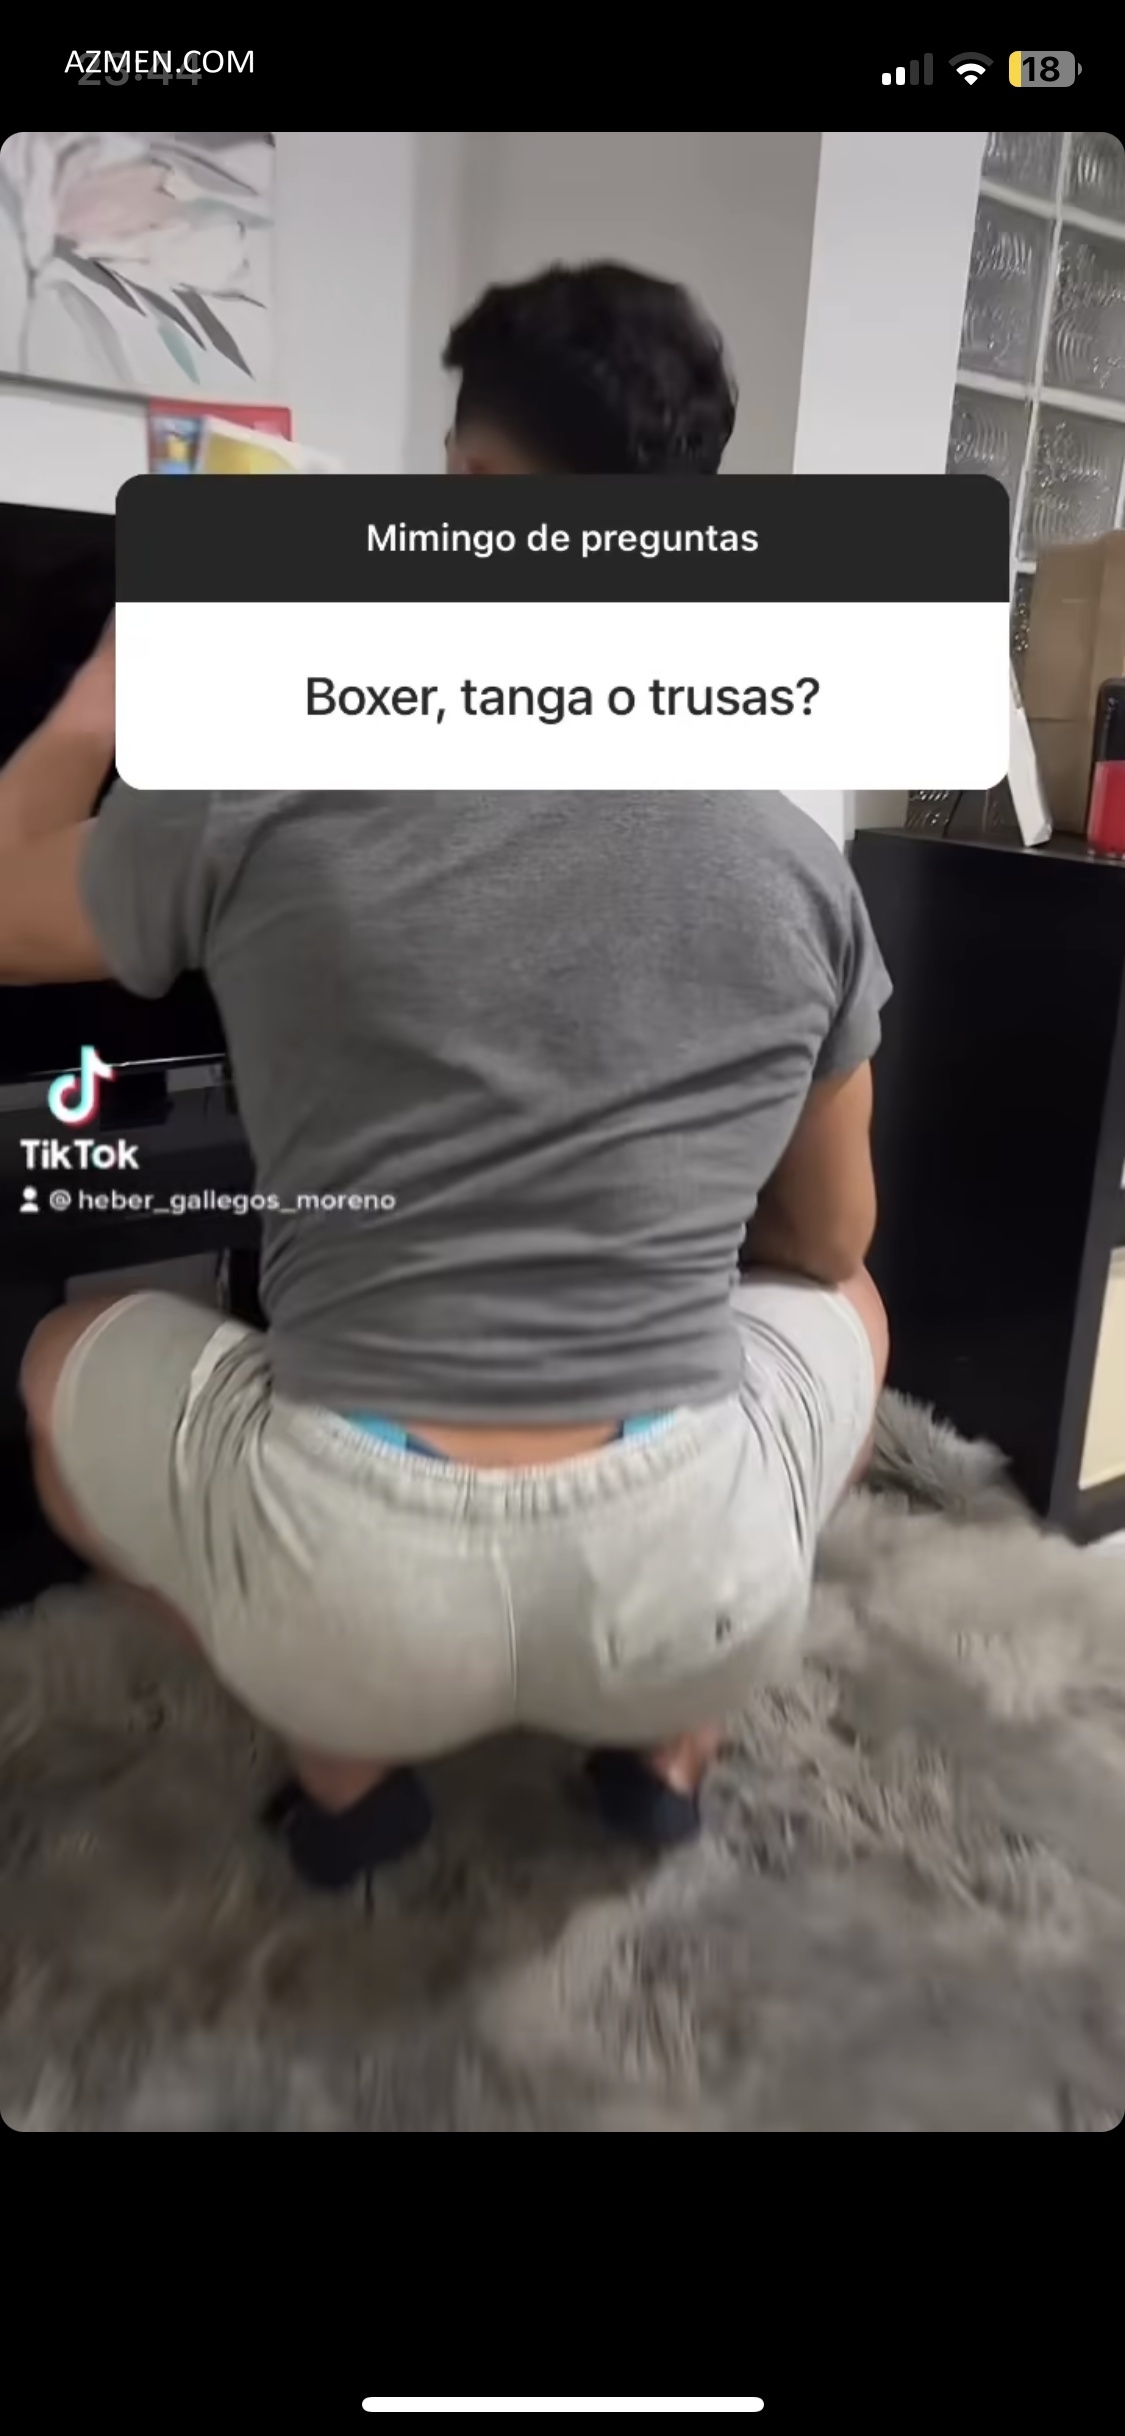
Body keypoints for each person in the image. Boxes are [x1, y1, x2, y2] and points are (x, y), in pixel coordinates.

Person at [0, 262, 890, 1892]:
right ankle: (667, 1744)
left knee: (59, 1355)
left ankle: (344, 1769)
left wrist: (110, 691)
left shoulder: (264, 781)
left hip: (352, 1600)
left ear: (467, 483)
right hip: (691, 1596)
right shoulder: (792, 859)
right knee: (856, 1310)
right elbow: (827, 1240)